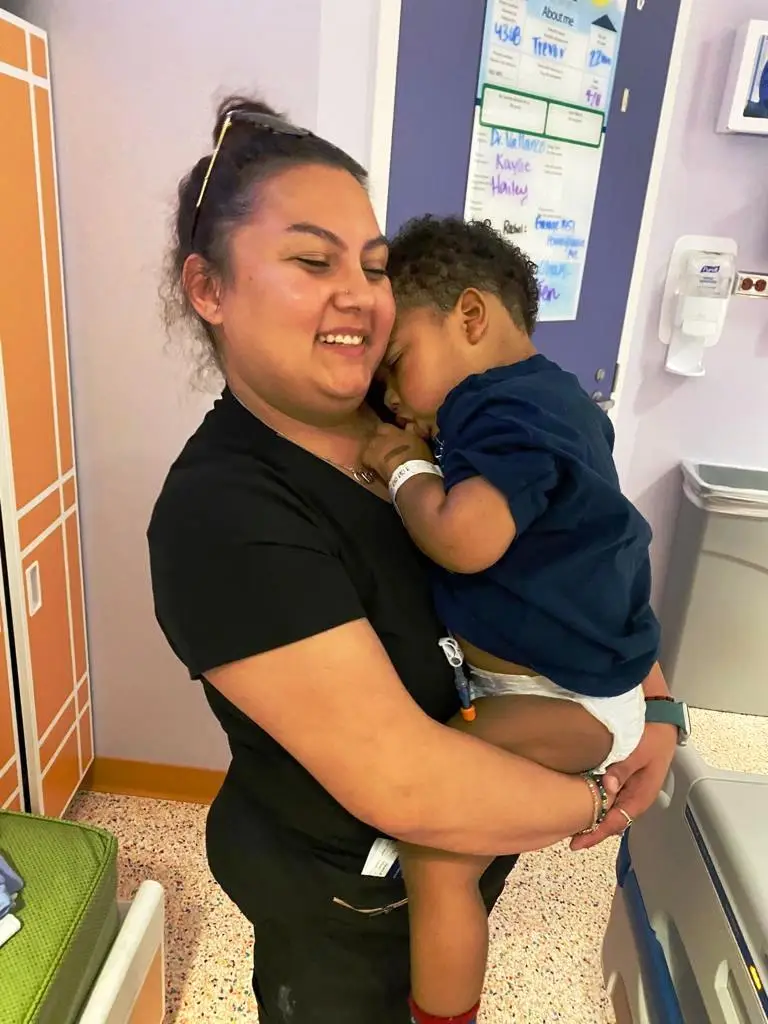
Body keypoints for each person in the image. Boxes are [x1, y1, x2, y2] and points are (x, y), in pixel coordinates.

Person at [147, 95, 679, 1024]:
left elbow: (582, 546)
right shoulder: (223, 516)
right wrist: (601, 797)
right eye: (313, 261)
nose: (360, 294)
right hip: (350, 917)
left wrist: (654, 699)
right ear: (209, 288)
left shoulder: (419, 419)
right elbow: (407, 782)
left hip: (475, 842)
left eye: (373, 265)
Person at [361, 215, 661, 1024]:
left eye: (398, 364)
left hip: (569, 701)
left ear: (469, 316)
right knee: (440, 832)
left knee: (434, 847)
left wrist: (404, 467)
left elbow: (466, 540)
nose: (393, 399)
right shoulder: (551, 402)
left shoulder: (503, 408)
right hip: (563, 687)